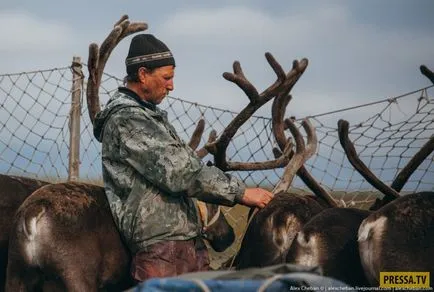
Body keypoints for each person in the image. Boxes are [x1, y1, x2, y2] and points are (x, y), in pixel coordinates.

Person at [93, 34, 273, 282]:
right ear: (143, 74)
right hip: (161, 246)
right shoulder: (128, 120)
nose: (171, 86)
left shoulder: (148, 116)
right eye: (167, 78)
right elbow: (180, 172)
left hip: (181, 242)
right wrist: (240, 193)